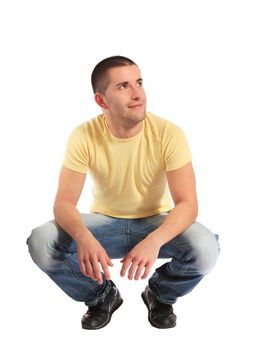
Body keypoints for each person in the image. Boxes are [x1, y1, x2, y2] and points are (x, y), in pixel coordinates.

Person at [27, 55, 220, 330]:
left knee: (205, 248)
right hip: (104, 224)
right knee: (41, 241)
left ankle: (160, 294)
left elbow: (188, 204)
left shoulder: (169, 133)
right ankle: (102, 296)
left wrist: (154, 241)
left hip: (157, 222)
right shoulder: (83, 136)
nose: (137, 93)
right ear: (101, 101)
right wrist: (83, 237)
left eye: (139, 82)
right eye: (123, 86)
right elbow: (64, 203)